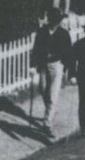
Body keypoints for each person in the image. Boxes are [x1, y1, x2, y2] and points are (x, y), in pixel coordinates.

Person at [30, 9, 74, 140]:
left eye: (58, 20)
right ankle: (51, 111)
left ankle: (47, 125)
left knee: (53, 95)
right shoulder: (42, 32)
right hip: (43, 65)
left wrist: (69, 72)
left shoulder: (63, 34)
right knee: (43, 90)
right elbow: (36, 49)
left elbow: (69, 53)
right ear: (50, 20)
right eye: (54, 19)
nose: (56, 22)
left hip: (57, 65)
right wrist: (32, 66)